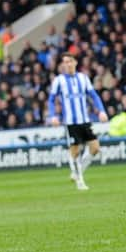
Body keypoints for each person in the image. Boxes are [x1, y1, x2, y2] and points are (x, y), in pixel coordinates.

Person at [48, 53, 108, 190]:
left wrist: (101, 111)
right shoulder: (59, 80)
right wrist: (53, 115)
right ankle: (80, 181)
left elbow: (93, 95)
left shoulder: (83, 78)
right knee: (74, 151)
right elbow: (51, 99)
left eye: (69, 61)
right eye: (64, 62)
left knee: (95, 148)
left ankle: (76, 171)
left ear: (75, 62)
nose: (67, 64)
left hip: (84, 120)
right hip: (70, 123)